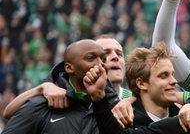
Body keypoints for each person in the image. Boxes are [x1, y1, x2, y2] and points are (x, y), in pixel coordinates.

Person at [2, 35, 130, 119]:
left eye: (120, 53)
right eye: (105, 54)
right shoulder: (62, 97)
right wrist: (41, 88)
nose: (115, 57)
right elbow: (8, 113)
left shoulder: (135, 100)